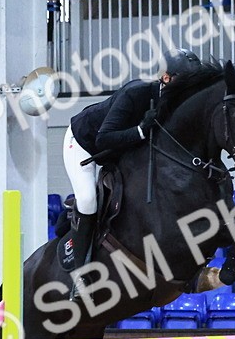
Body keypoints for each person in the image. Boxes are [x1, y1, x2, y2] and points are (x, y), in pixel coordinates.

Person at [59, 48, 203, 270]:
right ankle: (80, 270)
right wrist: (140, 131)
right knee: (88, 199)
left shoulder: (177, 104)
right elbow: (103, 139)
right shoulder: (135, 93)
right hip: (84, 143)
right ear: (166, 78)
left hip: (123, 148)